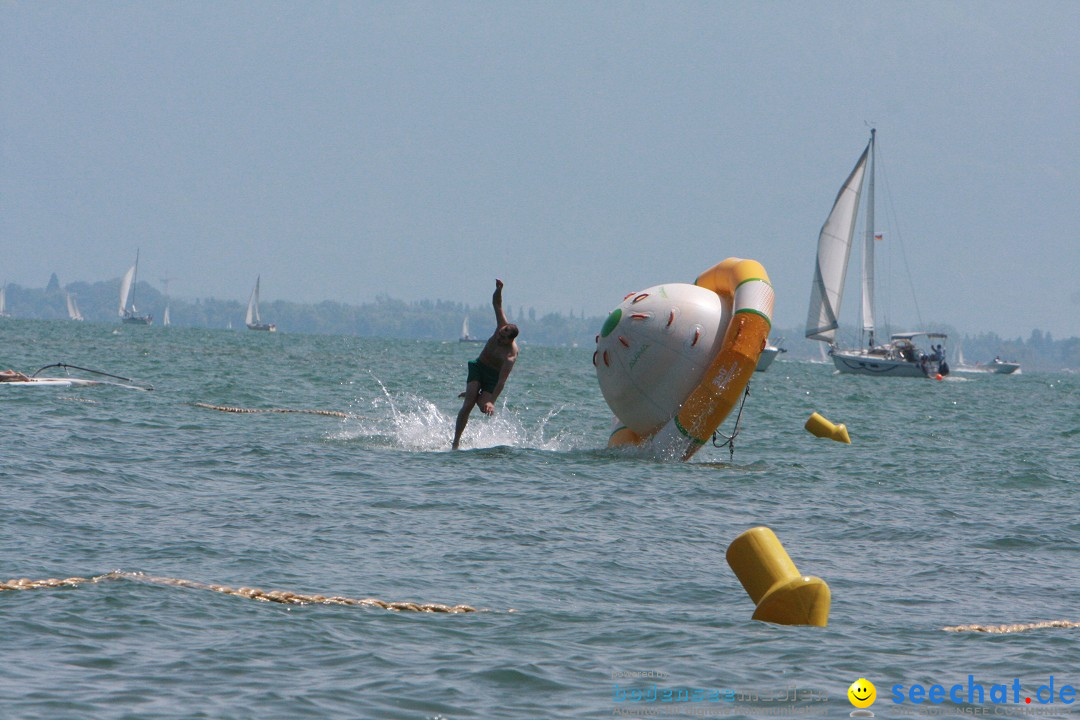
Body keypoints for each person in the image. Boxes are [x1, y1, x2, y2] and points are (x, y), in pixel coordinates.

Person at [452, 279, 520, 449]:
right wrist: (499, 289)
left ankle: (473, 393)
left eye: (503, 337)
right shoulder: (501, 327)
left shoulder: (510, 356)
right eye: (499, 333)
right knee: (467, 405)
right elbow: (497, 304)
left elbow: (502, 381)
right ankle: (455, 443)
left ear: (511, 339)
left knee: (485, 410)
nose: (498, 337)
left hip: (493, 378)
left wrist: (492, 401)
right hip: (479, 366)